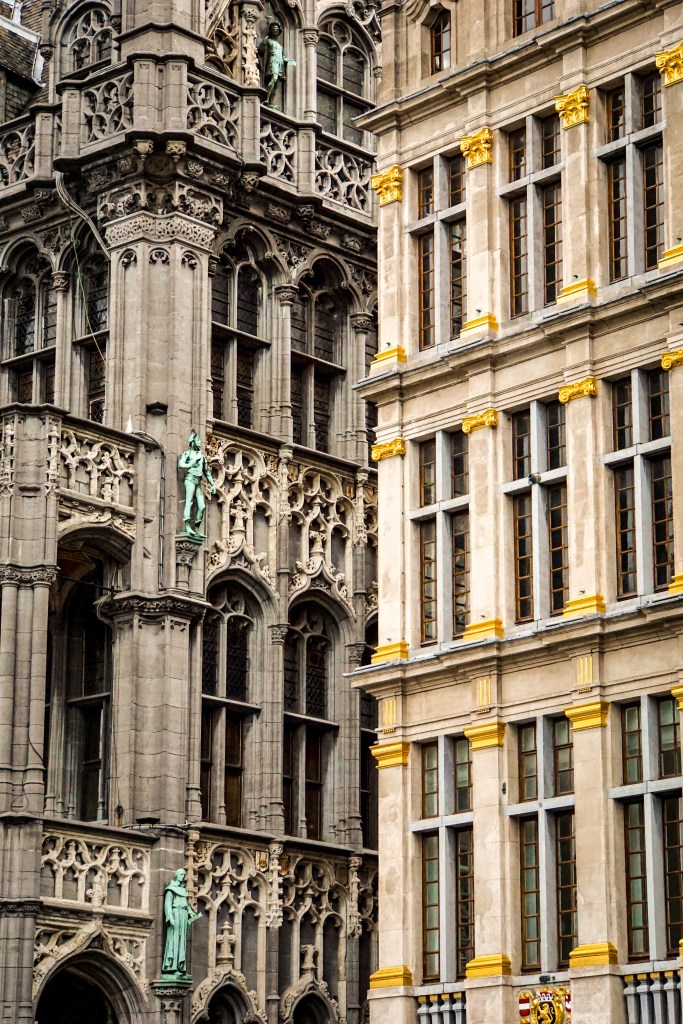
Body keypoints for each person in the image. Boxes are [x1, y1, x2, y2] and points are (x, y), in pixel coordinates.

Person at [161, 868, 202, 978]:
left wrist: (191, 913)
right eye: (181, 874)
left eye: (184, 875)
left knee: (182, 941)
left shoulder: (183, 890)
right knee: (174, 940)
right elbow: (167, 905)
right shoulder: (170, 890)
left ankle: (180, 966)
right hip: (175, 914)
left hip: (183, 914)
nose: (183, 876)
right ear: (176, 875)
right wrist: (170, 917)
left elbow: (186, 904)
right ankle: (171, 966)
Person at [178, 430, 216, 539]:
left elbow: (206, 472)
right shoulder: (188, 453)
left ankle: (197, 528)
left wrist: (212, 484)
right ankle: (187, 526)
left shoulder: (201, 456)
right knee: (189, 502)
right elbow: (181, 464)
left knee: (202, 506)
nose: (200, 442)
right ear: (193, 442)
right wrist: (190, 464)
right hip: (190, 479)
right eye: (198, 440)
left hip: (198, 481)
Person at [259, 21, 296, 108]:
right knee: (274, 78)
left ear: (279, 31)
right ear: (270, 30)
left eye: (276, 29)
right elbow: (261, 50)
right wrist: (264, 41)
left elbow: (282, 56)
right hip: (273, 61)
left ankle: (271, 102)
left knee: (275, 85)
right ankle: (265, 98)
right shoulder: (268, 40)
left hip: (280, 63)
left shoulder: (279, 45)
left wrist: (289, 60)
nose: (275, 30)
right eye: (273, 29)